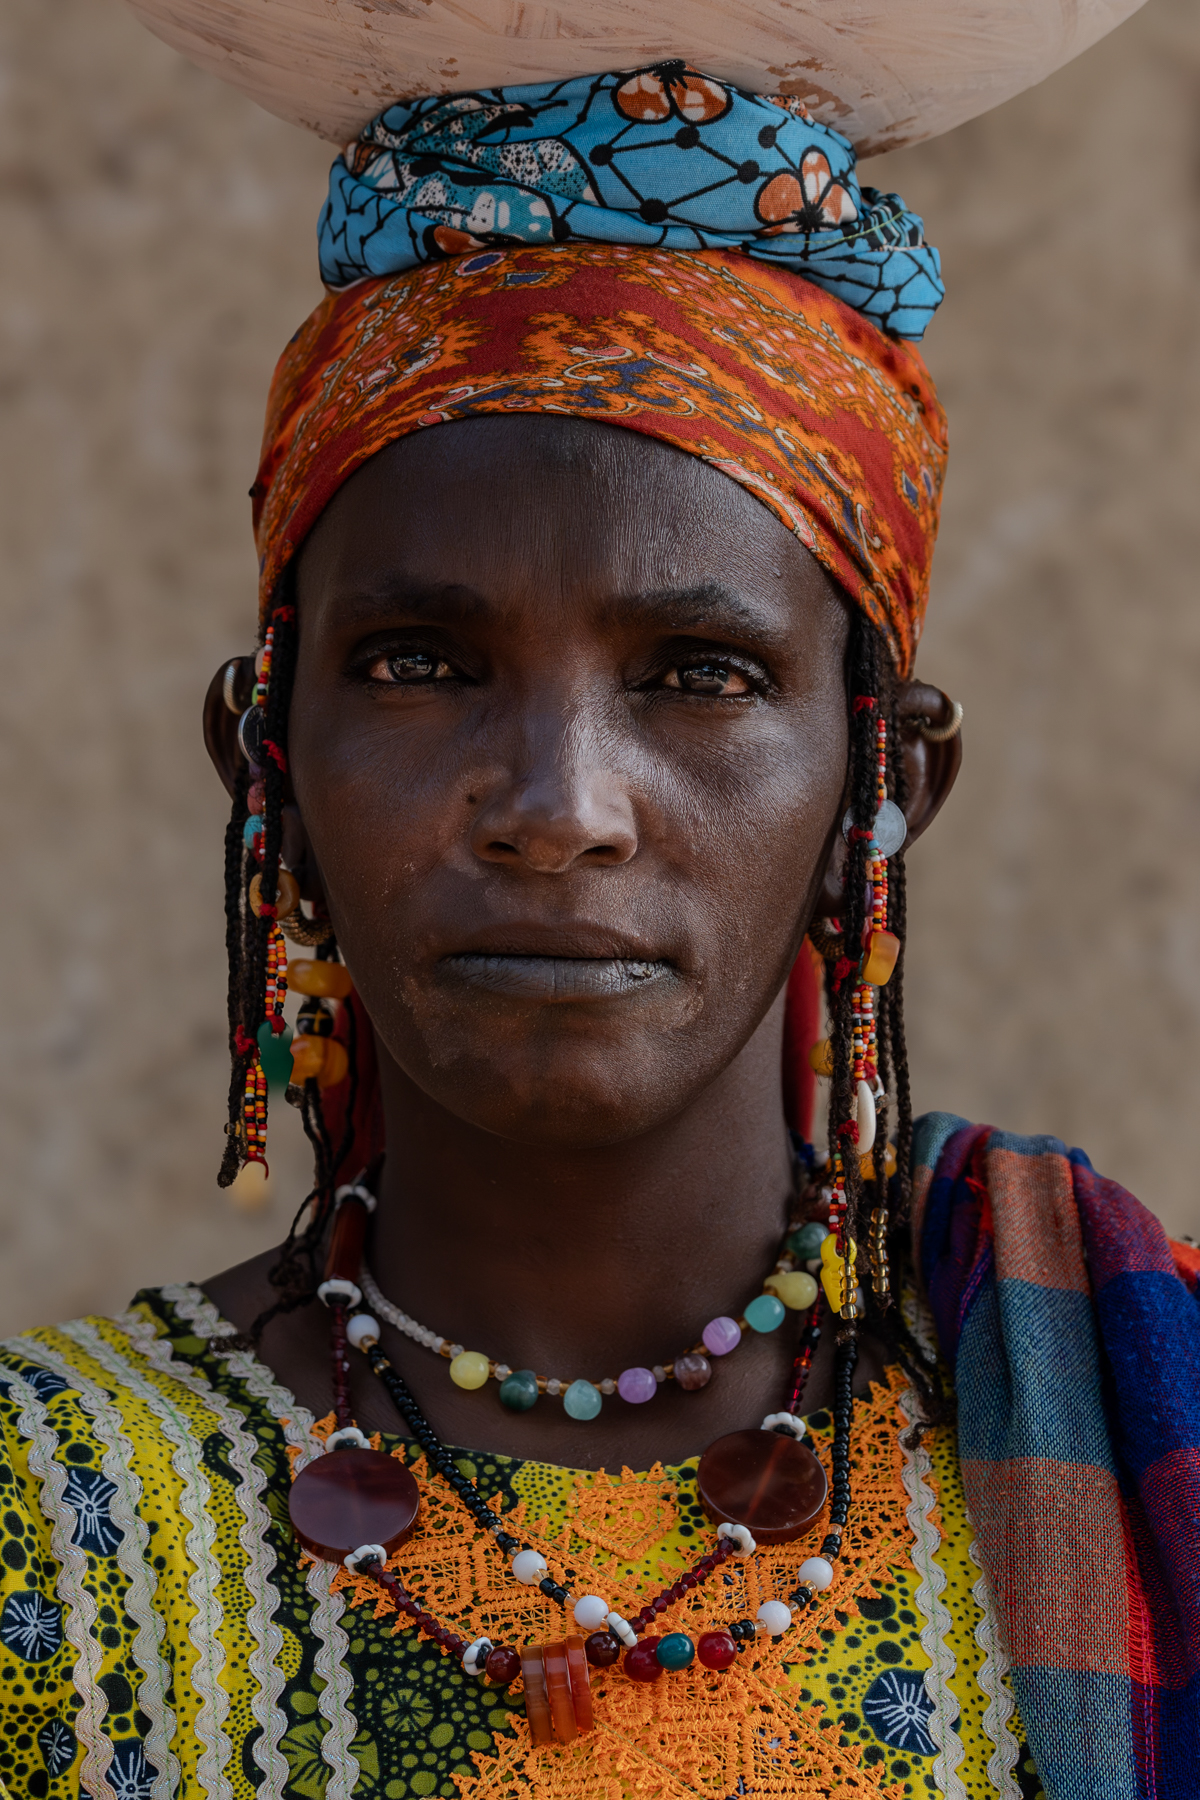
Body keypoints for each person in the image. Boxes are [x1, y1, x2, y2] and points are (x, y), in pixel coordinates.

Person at [1, 62, 1196, 1800]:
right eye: (421, 664)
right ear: (269, 765)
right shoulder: (49, 1518)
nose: (560, 807)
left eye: (698, 676)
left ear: (884, 783)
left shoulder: (1123, 1424)